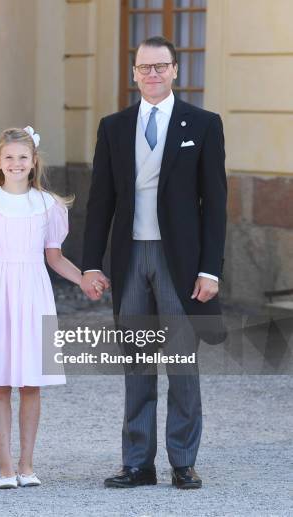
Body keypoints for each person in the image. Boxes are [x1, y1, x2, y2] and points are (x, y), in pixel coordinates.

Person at [80, 36, 227, 489]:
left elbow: (216, 202)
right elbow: (100, 199)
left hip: (178, 261)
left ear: (176, 70)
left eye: (161, 66)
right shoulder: (114, 126)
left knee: (182, 362)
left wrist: (210, 269)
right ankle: (137, 463)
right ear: (134, 72)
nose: (152, 74)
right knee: (137, 363)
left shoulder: (202, 124)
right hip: (130, 259)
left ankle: (182, 461)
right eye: (144, 67)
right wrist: (89, 264)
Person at [0, 127, 96, 489]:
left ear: (33, 161)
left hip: (35, 294)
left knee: (32, 383)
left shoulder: (48, 205)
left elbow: (55, 256)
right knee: (0, 383)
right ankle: (4, 465)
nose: (16, 163)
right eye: (9, 157)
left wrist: (83, 279)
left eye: (23, 157)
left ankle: (27, 463)